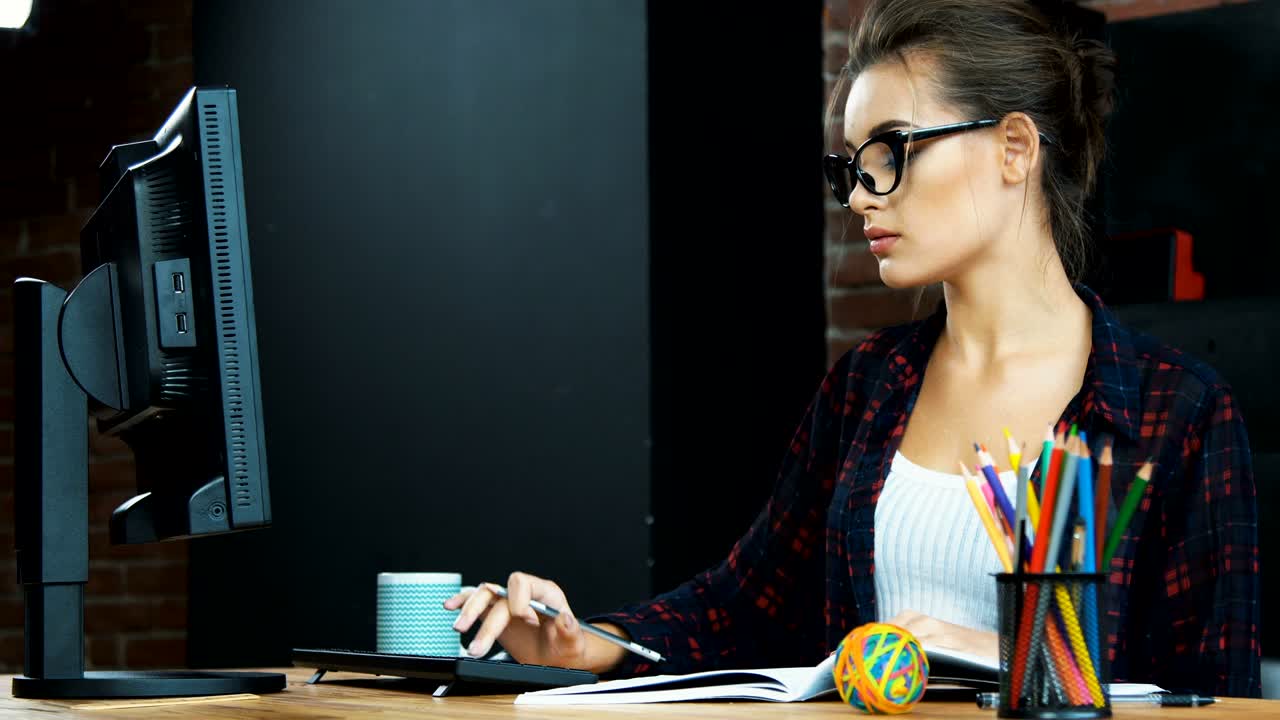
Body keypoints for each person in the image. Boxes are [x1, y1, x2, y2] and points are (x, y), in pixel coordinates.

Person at [445, 0, 1261, 697]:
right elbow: (745, 604)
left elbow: (1214, 692)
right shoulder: (869, 387)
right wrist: (586, 641)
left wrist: (1015, 658)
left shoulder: (1174, 409)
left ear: (1015, 147)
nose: (862, 196)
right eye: (851, 167)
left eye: (893, 151)